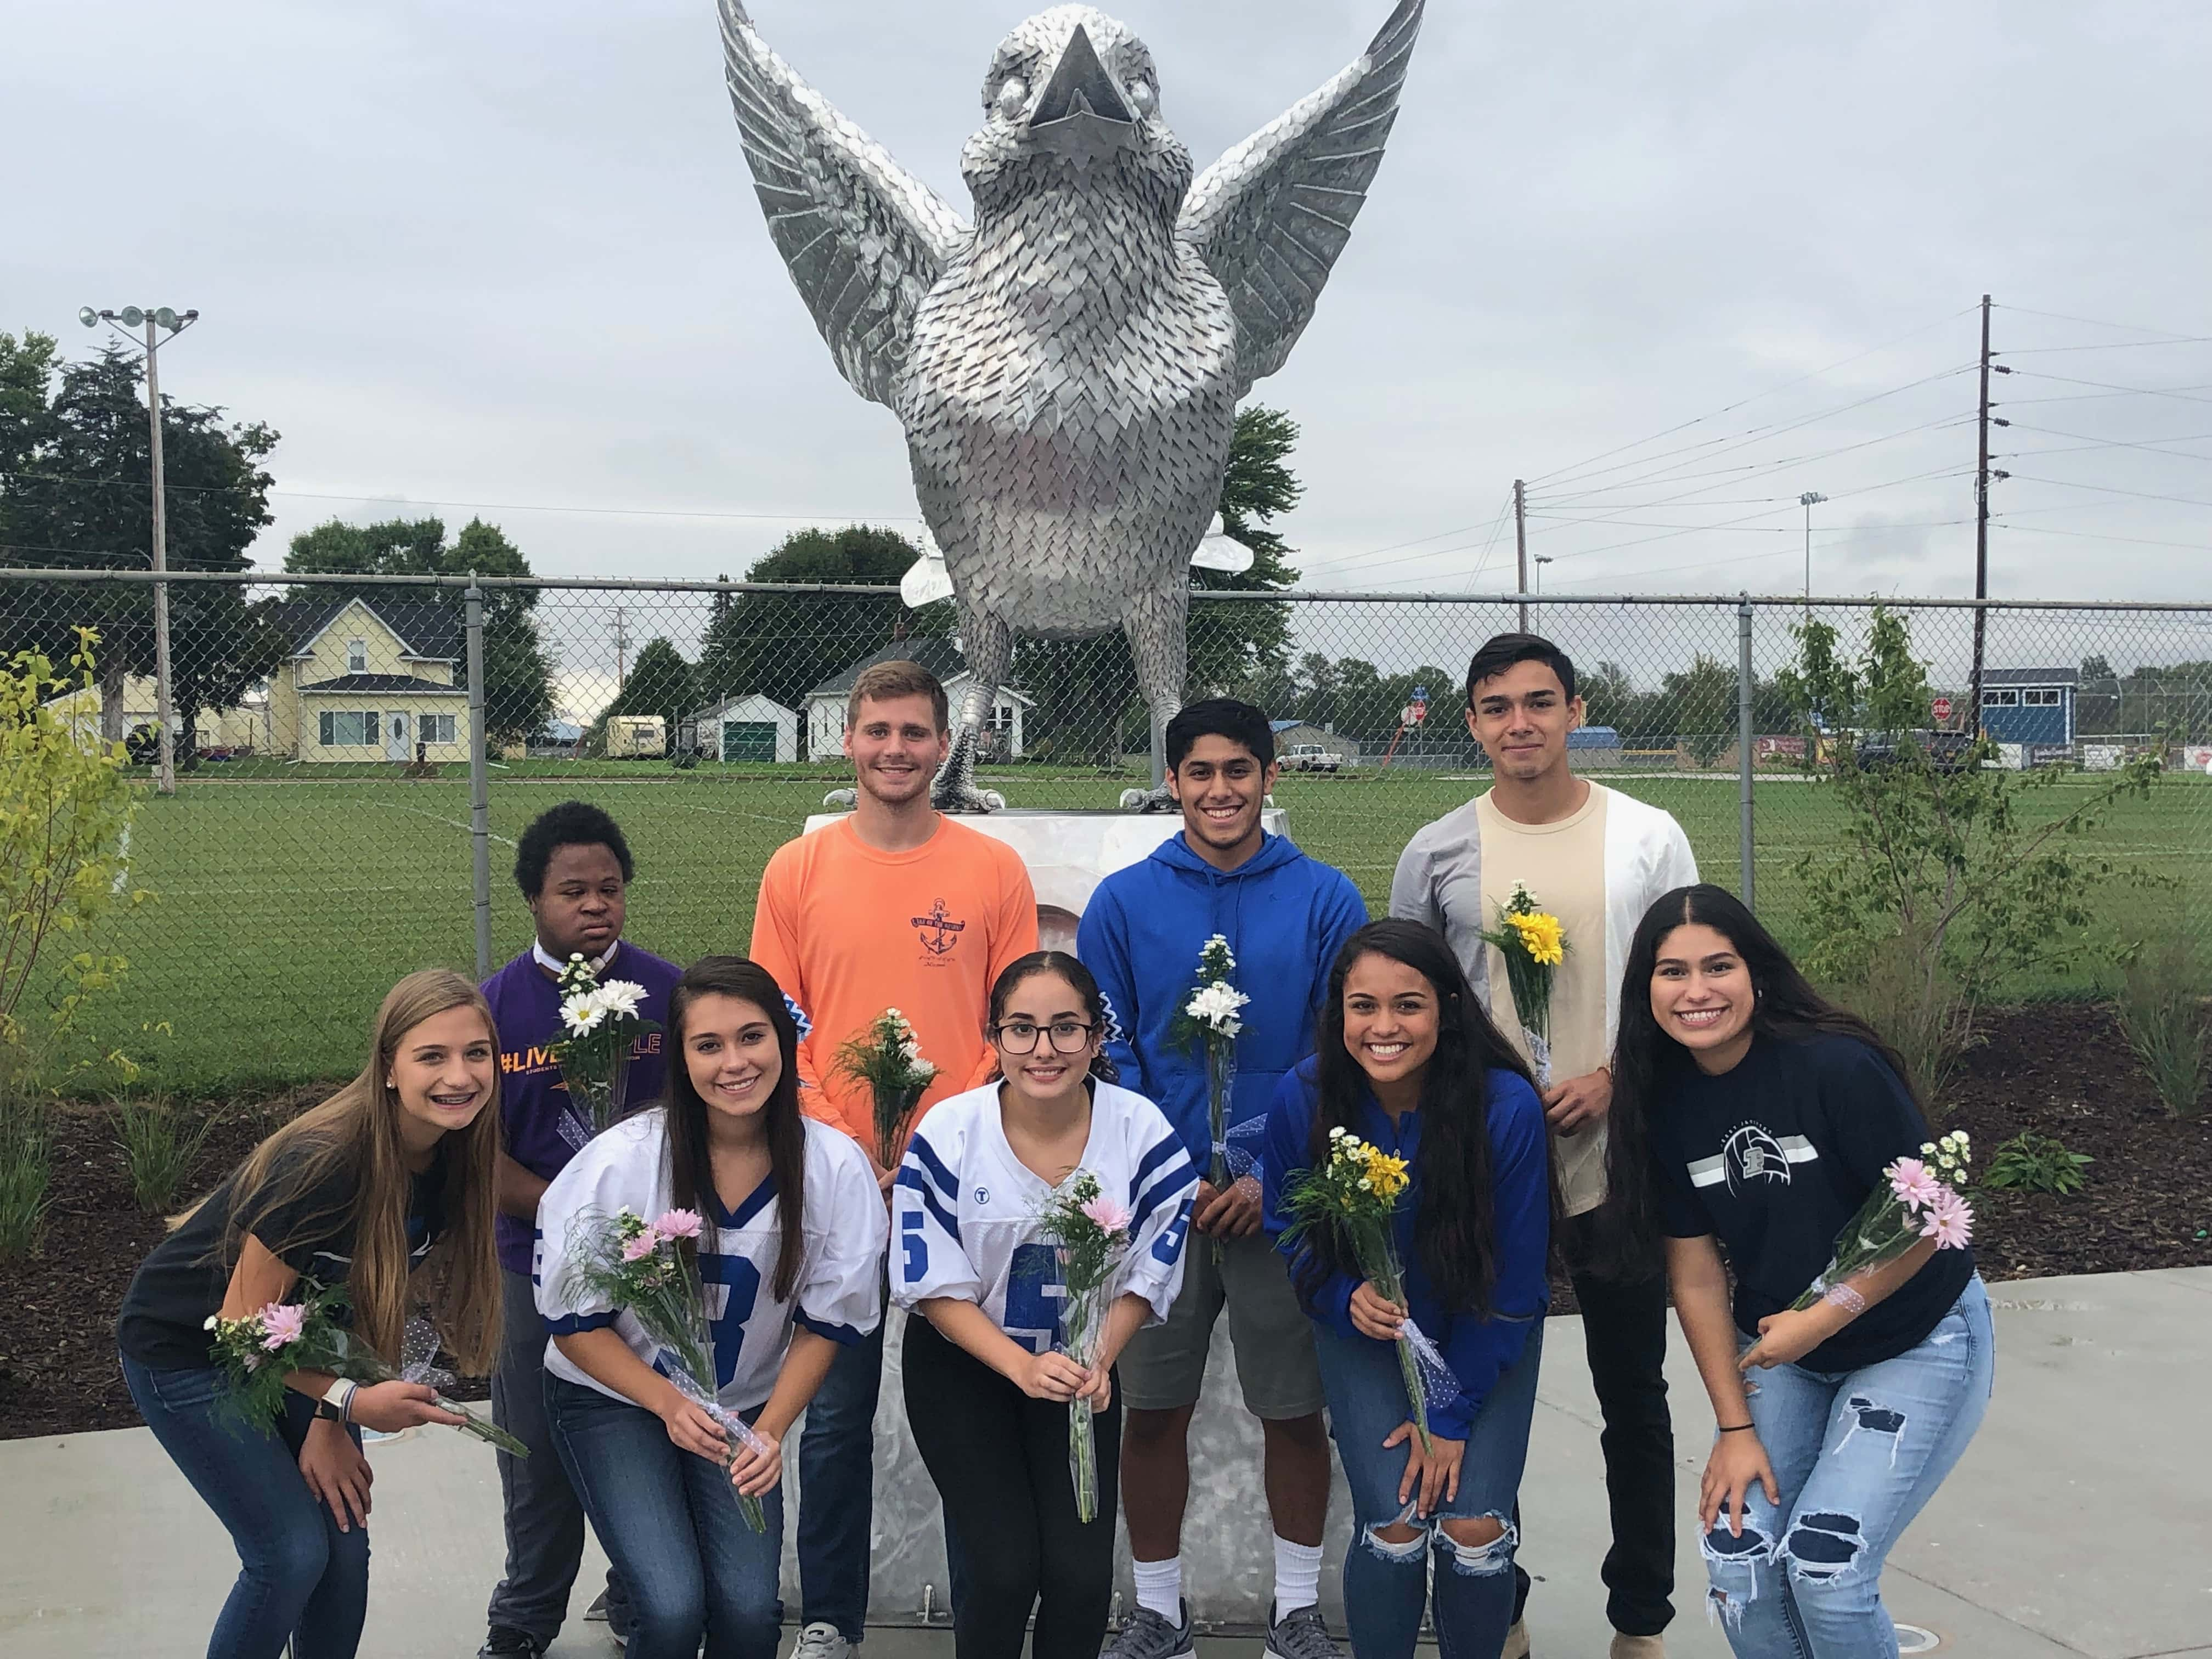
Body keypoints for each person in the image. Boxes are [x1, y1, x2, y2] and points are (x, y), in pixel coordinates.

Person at [1391, 632, 1699, 1659]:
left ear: (1574, 706)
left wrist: (1615, 1075)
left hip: (1617, 1157)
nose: (1517, 723)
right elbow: (1408, 1014)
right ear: (1471, 720)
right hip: (1489, 1167)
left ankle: (1640, 1617)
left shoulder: (1647, 836)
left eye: (1537, 701)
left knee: (1631, 1393)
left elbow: (1686, 986)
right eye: (1495, 706)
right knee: (1488, 1385)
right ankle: (1500, 1597)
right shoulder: (1437, 849)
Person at [1598, 885, 1991, 1658]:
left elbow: (1928, 1216)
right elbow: (1699, 1276)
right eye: (1672, 972)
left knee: (1827, 1566)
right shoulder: (1663, 1103)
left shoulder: (1835, 1068)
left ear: (1757, 974)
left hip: (1916, 1337)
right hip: (1784, 1351)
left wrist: (1827, 1313)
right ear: (1646, 990)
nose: (1698, 991)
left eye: (1719, 966)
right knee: (1738, 1563)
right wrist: (1735, 1428)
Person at [749, 658, 1039, 1658]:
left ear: (943, 743)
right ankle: (830, 1615)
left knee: (975, 1412)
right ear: (848, 739)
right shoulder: (798, 868)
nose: (895, 750)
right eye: (878, 732)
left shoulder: (991, 869)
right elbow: (776, 1023)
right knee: (831, 1415)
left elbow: (1014, 1022)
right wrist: (842, 1134)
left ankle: (987, 1615)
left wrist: (931, 1135)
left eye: (916, 733)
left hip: (958, 1174)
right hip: (833, 1174)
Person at [1080, 696, 1368, 1659]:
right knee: (1151, 1408)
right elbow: (1106, 1052)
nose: (1219, 790)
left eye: (1238, 770)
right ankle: (1158, 1610)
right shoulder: (1123, 901)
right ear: (1171, 782)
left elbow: (1342, 1045)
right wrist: (1173, 1171)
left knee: (1292, 1407)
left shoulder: (1325, 896)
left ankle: (1297, 1611)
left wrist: (1263, 1167)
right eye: (1199, 772)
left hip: (1278, 1199)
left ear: (1269, 776)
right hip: (1162, 1202)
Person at [114, 970, 505, 1659]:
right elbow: (238, 1328)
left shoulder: (452, 1157)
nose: (461, 1075)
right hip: (189, 1352)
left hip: (296, 1347)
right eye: (432, 1056)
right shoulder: (326, 1162)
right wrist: (353, 1399)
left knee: (343, 1546)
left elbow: (360, 1296)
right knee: (290, 1553)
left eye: (477, 1053)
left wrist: (332, 1420)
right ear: (388, 1068)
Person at [534, 956, 888, 1659]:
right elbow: (574, 1324)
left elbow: (829, 1321)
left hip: (744, 1401)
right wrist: (668, 1404)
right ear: (681, 1058)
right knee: (669, 1608)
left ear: (786, 1043)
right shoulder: (622, 1162)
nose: (735, 1063)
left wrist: (773, 1431)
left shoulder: (834, 1165)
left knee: (751, 1611)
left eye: (752, 1037)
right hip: (616, 1398)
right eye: (709, 1045)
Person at [892, 951, 1199, 1659]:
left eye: (1066, 1028)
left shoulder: (1139, 1130)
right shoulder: (950, 1131)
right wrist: (1020, 1369)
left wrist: (1098, 1358)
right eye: (1022, 1029)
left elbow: (1153, 1264)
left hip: (1082, 1371)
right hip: (965, 1368)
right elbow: (932, 1285)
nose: (1044, 1049)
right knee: (1002, 1573)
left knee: (1081, 1578)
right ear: (993, 1037)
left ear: (1097, 1038)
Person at [1262, 919, 1551, 1659]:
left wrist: (1451, 1416)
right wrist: (1339, 1296)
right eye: (1363, 1006)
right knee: (1394, 1523)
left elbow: (1518, 1280)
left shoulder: (1505, 1106)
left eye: (1408, 1006)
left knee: (1474, 1525)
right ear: (1338, 1013)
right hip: (1369, 1329)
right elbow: (1287, 1227)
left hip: (1482, 1324)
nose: (1383, 1027)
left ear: (1448, 1009)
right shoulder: (1306, 1096)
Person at [481, 800, 684, 1657]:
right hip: (532, 1262)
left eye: (610, 889)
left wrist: (641, 1226)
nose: (595, 905)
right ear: (533, 898)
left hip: (657, 1265)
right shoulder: (491, 1010)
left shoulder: (668, 994)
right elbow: (475, 1158)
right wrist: (572, 1212)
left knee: (656, 1432)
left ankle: (643, 1601)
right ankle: (524, 1621)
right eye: (573, 891)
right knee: (535, 1450)